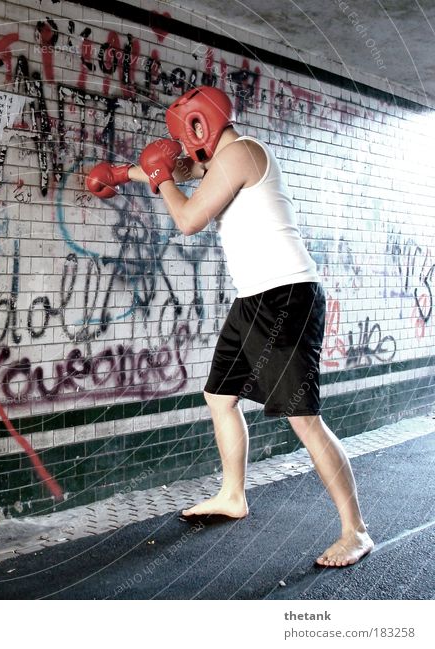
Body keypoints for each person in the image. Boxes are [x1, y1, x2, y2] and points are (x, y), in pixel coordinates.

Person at [85, 86, 373, 568]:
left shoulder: (240, 154)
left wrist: (157, 177)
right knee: (220, 396)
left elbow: (188, 218)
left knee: (304, 420)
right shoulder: (225, 158)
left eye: (184, 136)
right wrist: (121, 174)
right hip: (254, 298)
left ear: (199, 128)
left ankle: (356, 531)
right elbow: (179, 171)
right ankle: (233, 494)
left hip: (286, 296)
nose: (184, 148)